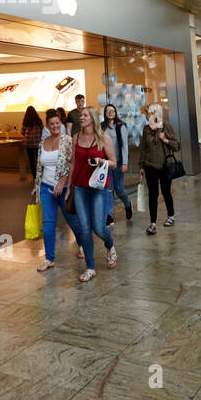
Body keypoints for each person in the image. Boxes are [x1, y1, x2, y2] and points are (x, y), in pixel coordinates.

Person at [70, 106, 117, 281]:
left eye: (84, 115)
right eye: (80, 115)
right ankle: (90, 267)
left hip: (99, 188)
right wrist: (69, 185)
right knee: (84, 229)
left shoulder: (103, 138)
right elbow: (73, 164)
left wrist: (101, 161)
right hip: (80, 187)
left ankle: (110, 246)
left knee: (99, 227)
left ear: (93, 118)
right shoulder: (76, 138)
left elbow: (114, 163)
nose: (81, 117)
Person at [32, 110, 81, 272]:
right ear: (47, 126)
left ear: (61, 124)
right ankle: (49, 258)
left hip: (64, 188)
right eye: (52, 124)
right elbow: (39, 166)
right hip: (46, 187)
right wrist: (37, 185)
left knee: (72, 220)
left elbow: (72, 164)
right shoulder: (42, 143)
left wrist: (62, 183)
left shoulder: (67, 141)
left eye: (57, 123)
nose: (55, 126)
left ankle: (82, 245)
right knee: (48, 223)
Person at [139, 103, 180, 235]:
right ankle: (153, 224)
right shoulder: (146, 129)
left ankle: (171, 216)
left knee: (166, 191)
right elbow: (143, 148)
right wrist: (141, 165)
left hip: (165, 166)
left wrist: (166, 140)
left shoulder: (166, 127)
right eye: (146, 113)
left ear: (155, 114)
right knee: (153, 194)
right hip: (150, 166)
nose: (146, 116)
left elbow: (177, 145)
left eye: (148, 113)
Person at [102, 103, 134, 223]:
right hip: (107, 163)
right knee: (109, 190)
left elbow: (125, 146)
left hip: (119, 162)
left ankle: (128, 204)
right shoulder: (102, 127)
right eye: (107, 111)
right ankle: (109, 216)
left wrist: (125, 163)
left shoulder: (121, 127)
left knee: (119, 189)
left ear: (115, 113)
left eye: (112, 111)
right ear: (105, 114)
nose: (110, 113)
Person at [21, 105, 43, 178]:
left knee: (31, 160)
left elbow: (22, 132)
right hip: (37, 143)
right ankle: (40, 174)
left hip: (28, 143)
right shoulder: (38, 120)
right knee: (39, 159)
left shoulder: (26, 121)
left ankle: (34, 176)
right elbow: (42, 130)